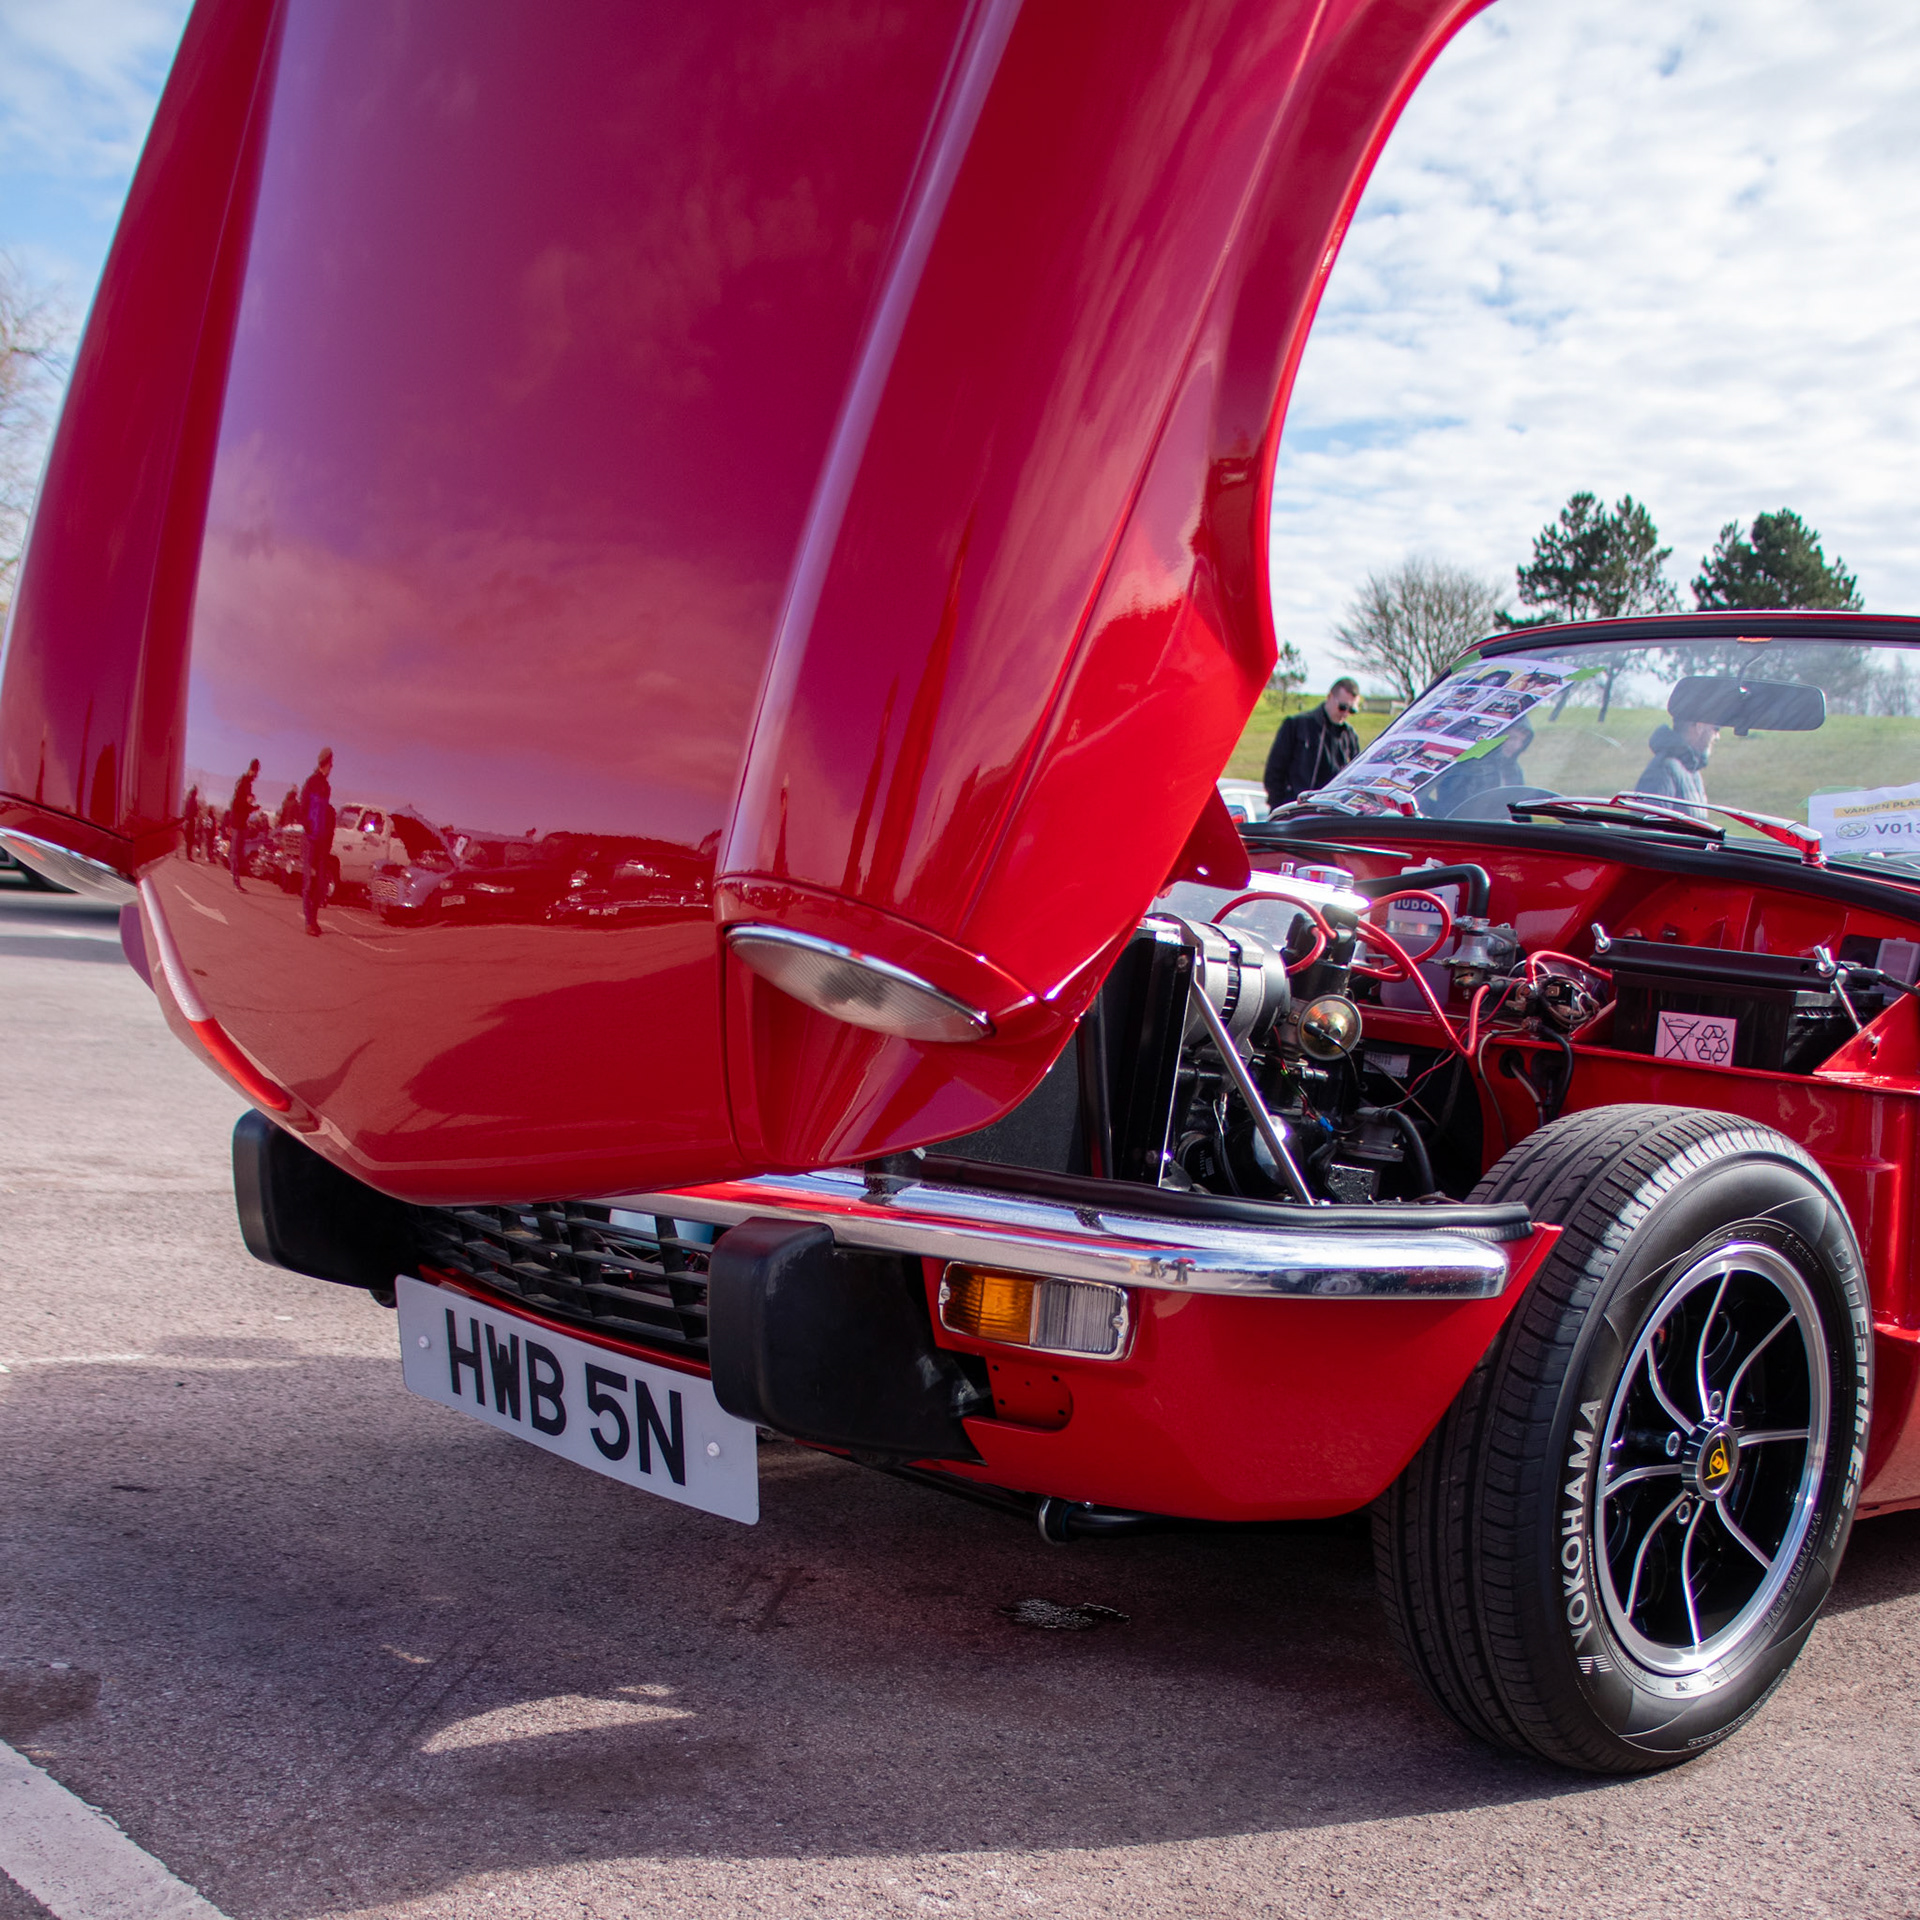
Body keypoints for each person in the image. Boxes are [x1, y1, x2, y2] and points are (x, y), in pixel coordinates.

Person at [1264, 677, 1361, 809]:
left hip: (1331, 813)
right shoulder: (1297, 725)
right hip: (1295, 809)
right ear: (1330, 697)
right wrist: (1282, 807)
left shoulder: (1350, 736)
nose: (1346, 713)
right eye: (1342, 707)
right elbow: (1274, 772)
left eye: (1352, 710)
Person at [1427, 717, 1533, 816]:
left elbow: (1518, 811)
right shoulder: (1467, 766)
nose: (1517, 745)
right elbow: (1449, 811)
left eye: (1523, 740)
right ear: (1496, 736)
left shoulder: (1514, 770)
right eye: (1512, 738)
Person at [1637, 709, 1718, 813]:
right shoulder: (1663, 769)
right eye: (1715, 729)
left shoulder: (1692, 770)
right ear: (1699, 727)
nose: (1717, 737)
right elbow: (1648, 821)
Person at [299, 747, 336, 936]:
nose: (332, 767)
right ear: (325, 763)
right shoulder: (311, 782)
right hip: (310, 840)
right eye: (331, 764)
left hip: (321, 842)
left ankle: (313, 918)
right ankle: (309, 922)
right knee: (309, 882)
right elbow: (303, 808)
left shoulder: (326, 787)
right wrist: (308, 827)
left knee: (320, 883)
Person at [226, 760, 260, 890]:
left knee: (238, 852)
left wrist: (252, 807)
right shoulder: (244, 783)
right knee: (236, 852)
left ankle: (236, 877)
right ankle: (236, 880)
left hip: (240, 822)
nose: (256, 776)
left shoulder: (246, 783)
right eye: (256, 772)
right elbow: (237, 804)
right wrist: (249, 804)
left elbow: (241, 805)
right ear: (252, 770)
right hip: (237, 822)